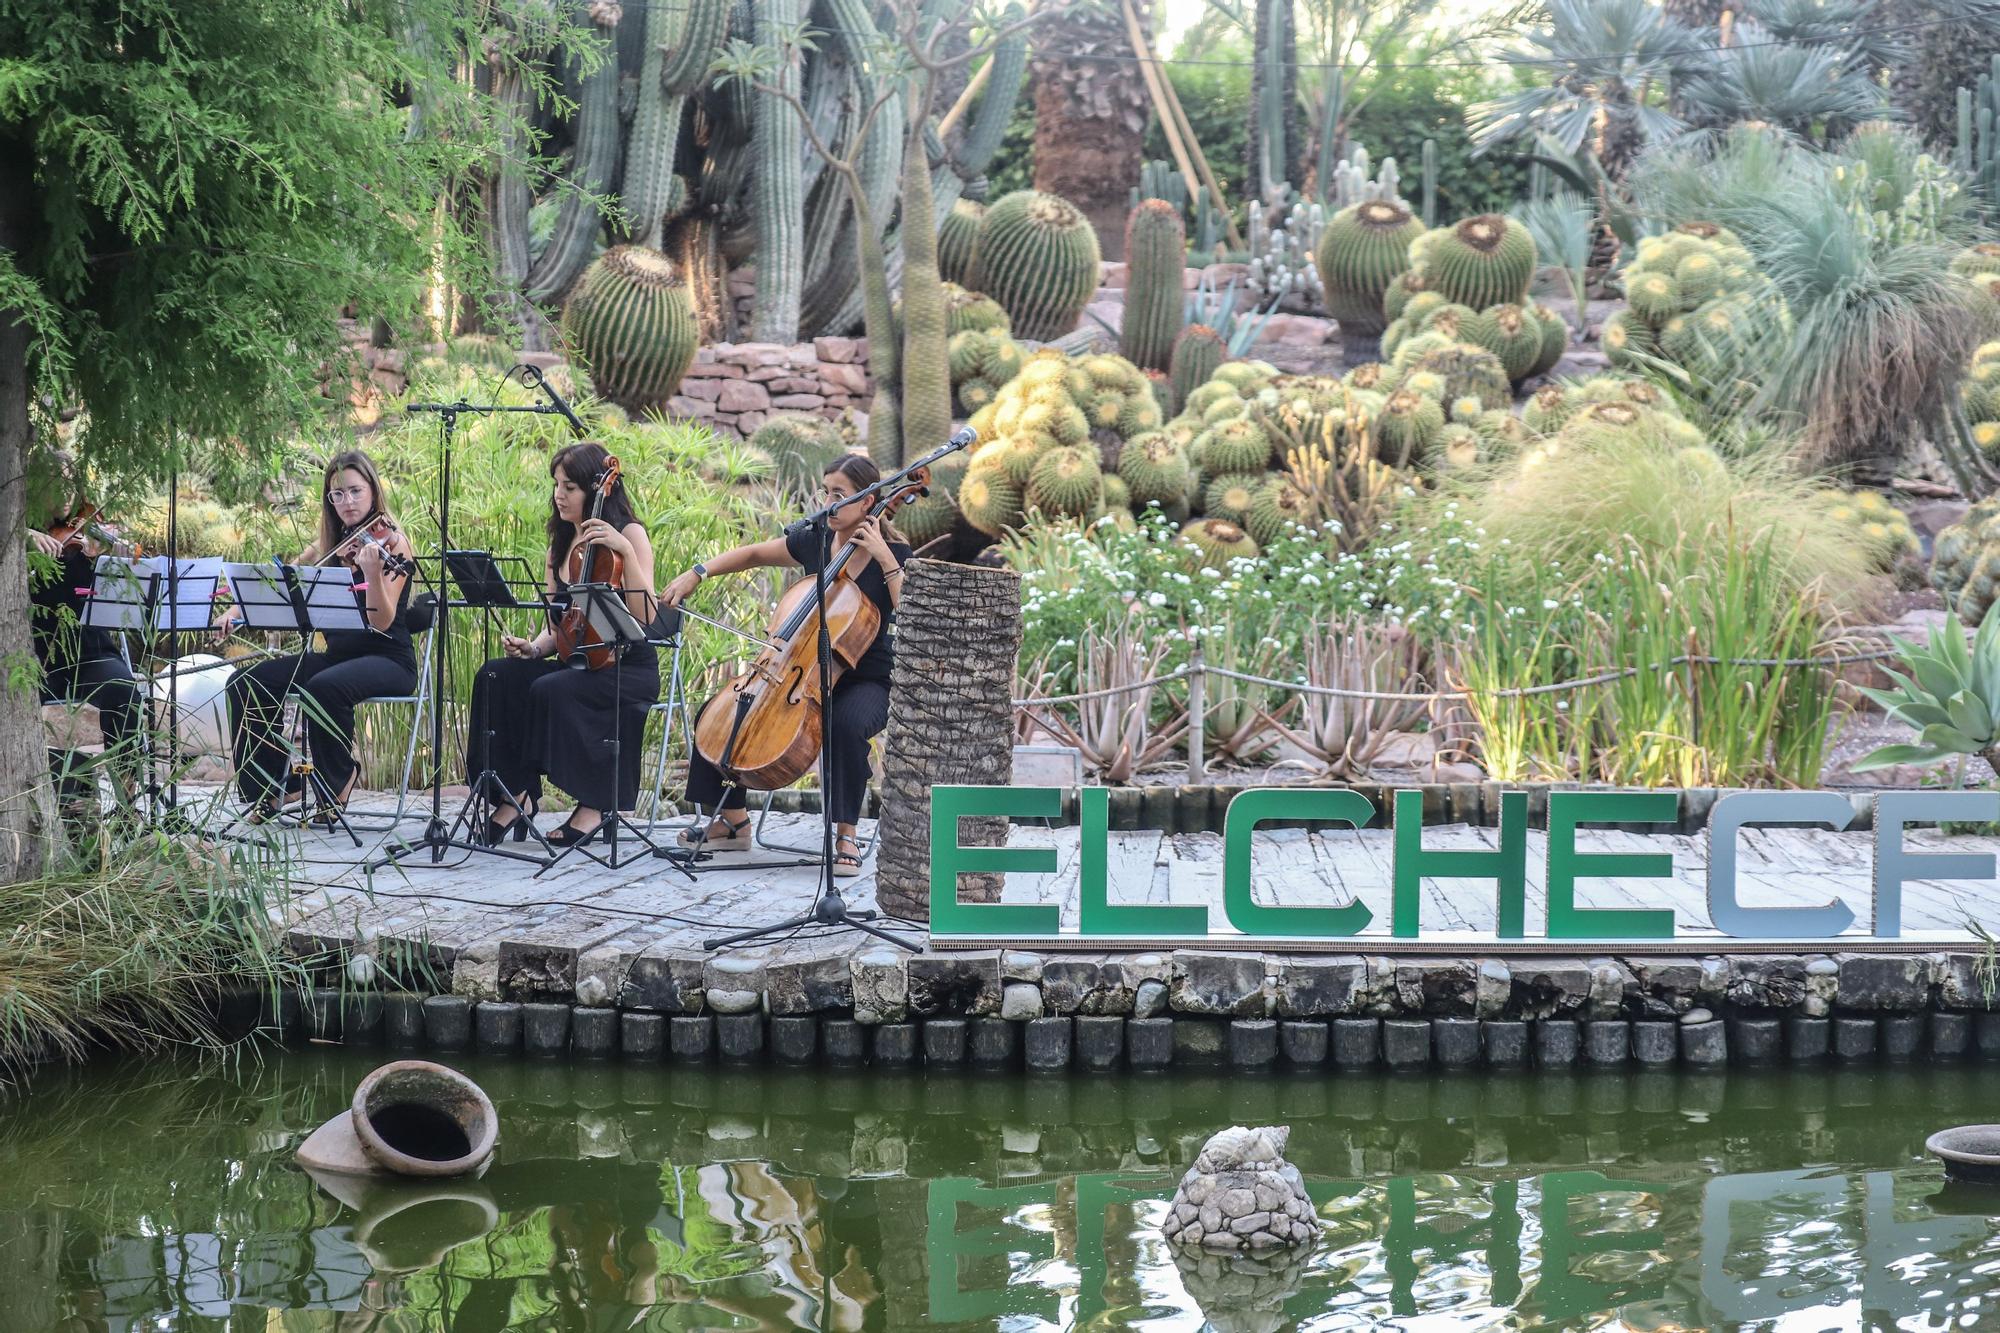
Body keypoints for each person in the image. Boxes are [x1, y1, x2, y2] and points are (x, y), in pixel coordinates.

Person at [663, 453, 913, 877]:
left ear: (869, 502)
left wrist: (886, 560)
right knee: (719, 713)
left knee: (845, 725)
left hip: (867, 677)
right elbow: (755, 554)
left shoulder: (895, 552)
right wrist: (698, 572)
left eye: (841, 494)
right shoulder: (816, 538)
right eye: (826, 491)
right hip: (800, 671)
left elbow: (909, 613)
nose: (830, 502)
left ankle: (846, 834)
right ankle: (732, 820)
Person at [467, 440, 661, 848]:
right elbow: (561, 625)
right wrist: (534, 648)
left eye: (569, 486)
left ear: (595, 489)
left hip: (627, 665)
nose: (559, 494)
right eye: (556, 484)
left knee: (551, 688)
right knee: (496, 675)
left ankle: (594, 805)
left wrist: (622, 549)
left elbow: (647, 617)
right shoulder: (559, 545)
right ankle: (514, 793)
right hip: (580, 660)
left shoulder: (629, 533)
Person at [222, 450, 417, 823]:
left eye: (356, 491)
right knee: (246, 682)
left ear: (373, 491)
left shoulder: (393, 544)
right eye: (338, 495)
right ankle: (274, 784)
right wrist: (236, 610)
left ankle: (338, 779)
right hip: (338, 657)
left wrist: (373, 573)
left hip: (388, 658)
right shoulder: (329, 543)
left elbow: (381, 622)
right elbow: (280, 579)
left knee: (323, 686)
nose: (348, 502)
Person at [29, 502, 144, 797]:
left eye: (70, 486)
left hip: (90, 651)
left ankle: (128, 800)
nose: (64, 500)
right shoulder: (20, 528)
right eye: (57, 488)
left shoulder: (90, 541)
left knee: (124, 690)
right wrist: (24, 536)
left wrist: (113, 560)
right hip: (36, 656)